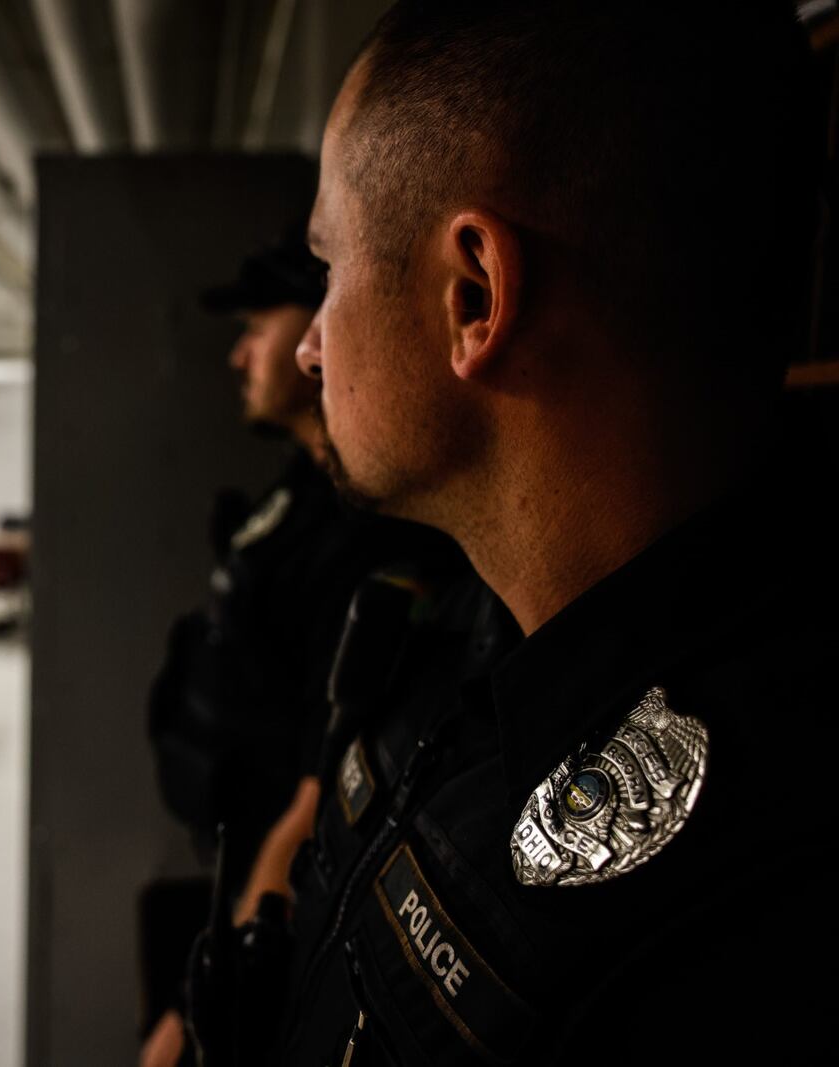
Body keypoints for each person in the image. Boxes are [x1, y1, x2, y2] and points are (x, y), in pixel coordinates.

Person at [216, 1, 832, 1063]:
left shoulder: (740, 921)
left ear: (473, 295)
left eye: (331, 264)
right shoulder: (456, 628)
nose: (313, 346)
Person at [141, 226, 461, 1067]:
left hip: (282, 885)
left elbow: (320, 790)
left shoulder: (363, 529)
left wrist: (191, 1010)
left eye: (258, 325)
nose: (240, 355)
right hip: (234, 852)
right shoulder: (299, 486)